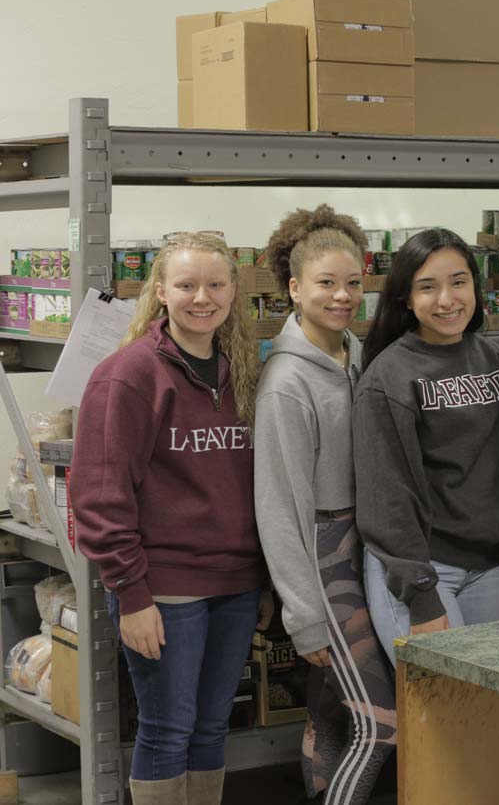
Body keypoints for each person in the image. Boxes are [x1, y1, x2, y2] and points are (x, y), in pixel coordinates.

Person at [72, 233, 268, 805]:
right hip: (164, 589)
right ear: (160, 292)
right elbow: (101, 496)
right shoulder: (128, 375)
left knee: (211, 729)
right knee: (166, 731)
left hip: (235, 584)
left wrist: (259, 578)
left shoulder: (243, 373)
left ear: (234, 291)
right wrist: (131, 594)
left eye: (214, 284)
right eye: (186, 285)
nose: (201, 297)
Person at [253, 205, 395, 804]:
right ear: (293, 288)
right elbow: (279, 507)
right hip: (325, 560)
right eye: (326, 284)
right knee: (380, 722)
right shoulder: (288, 383)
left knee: (332, 715)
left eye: (354, 283)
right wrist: (305, 613)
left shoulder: (353, 353)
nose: (343, 297)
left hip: (363, 548)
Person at [354, 228, 499, 665]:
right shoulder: (388, 377)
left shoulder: (492, 359)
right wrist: (422, 595)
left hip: (488, 566)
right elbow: (387, 495)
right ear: (406, 297)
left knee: (487, 712)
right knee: (441, 718)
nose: (447, 299)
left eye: (458, 282)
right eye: (428, 286)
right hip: (423, 570)